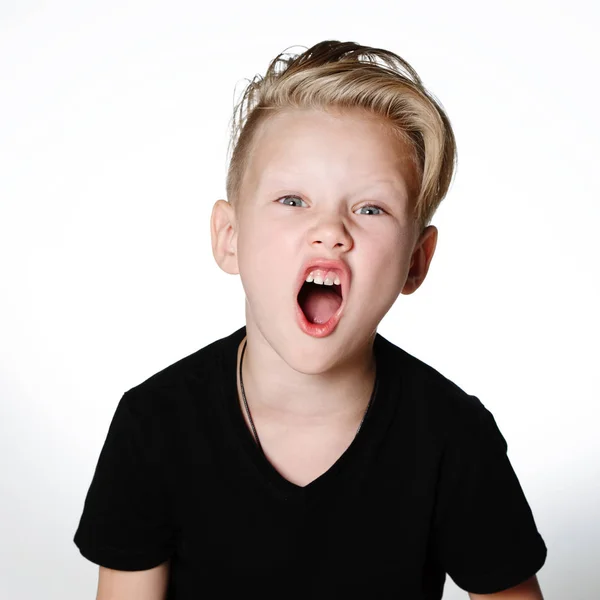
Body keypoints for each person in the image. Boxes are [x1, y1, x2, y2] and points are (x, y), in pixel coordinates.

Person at [73, 41, 547, 599]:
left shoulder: (453, 439)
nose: (331, 230)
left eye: (370, 209)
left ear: (415, 262)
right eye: (293, 200)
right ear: (230, 239)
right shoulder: (153, 425)